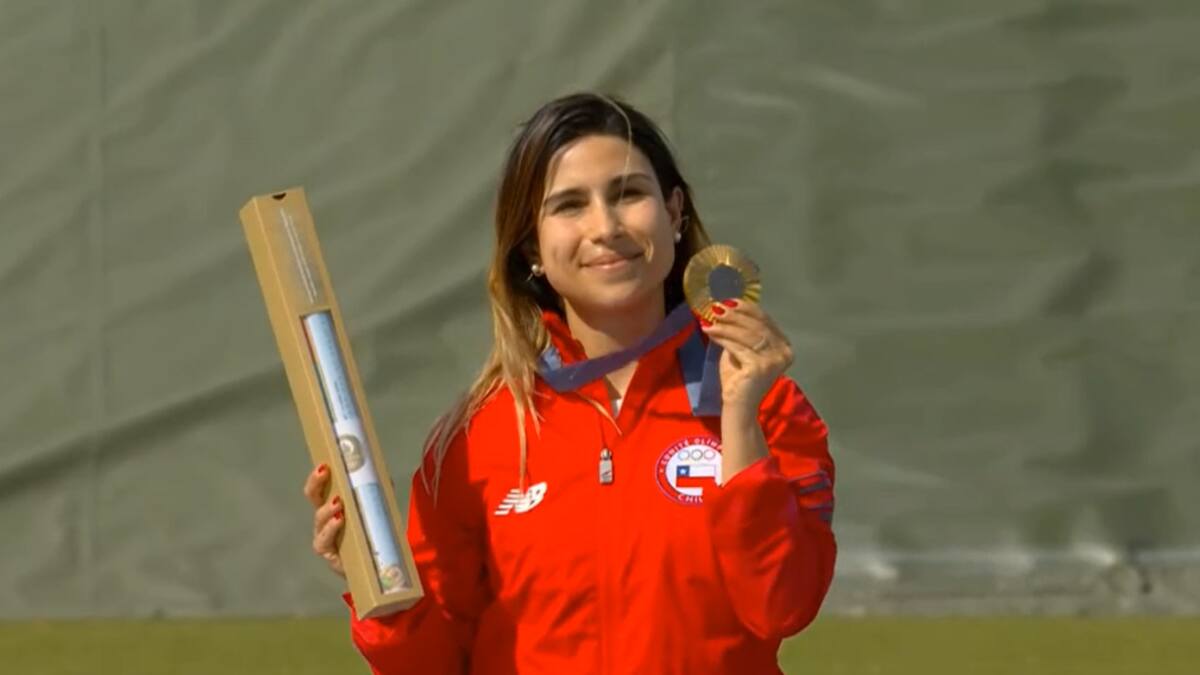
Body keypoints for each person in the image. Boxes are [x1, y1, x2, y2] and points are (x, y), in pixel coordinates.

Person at [303, 92, 836, 674]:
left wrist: (738, 421)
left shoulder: (771, 406)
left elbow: (781, 607)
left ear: (675, 212)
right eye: (569, 205)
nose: (605, 227)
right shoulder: (474, 437)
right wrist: (375, 580)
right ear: (532, 245)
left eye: (628, 194)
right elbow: (429, 665)